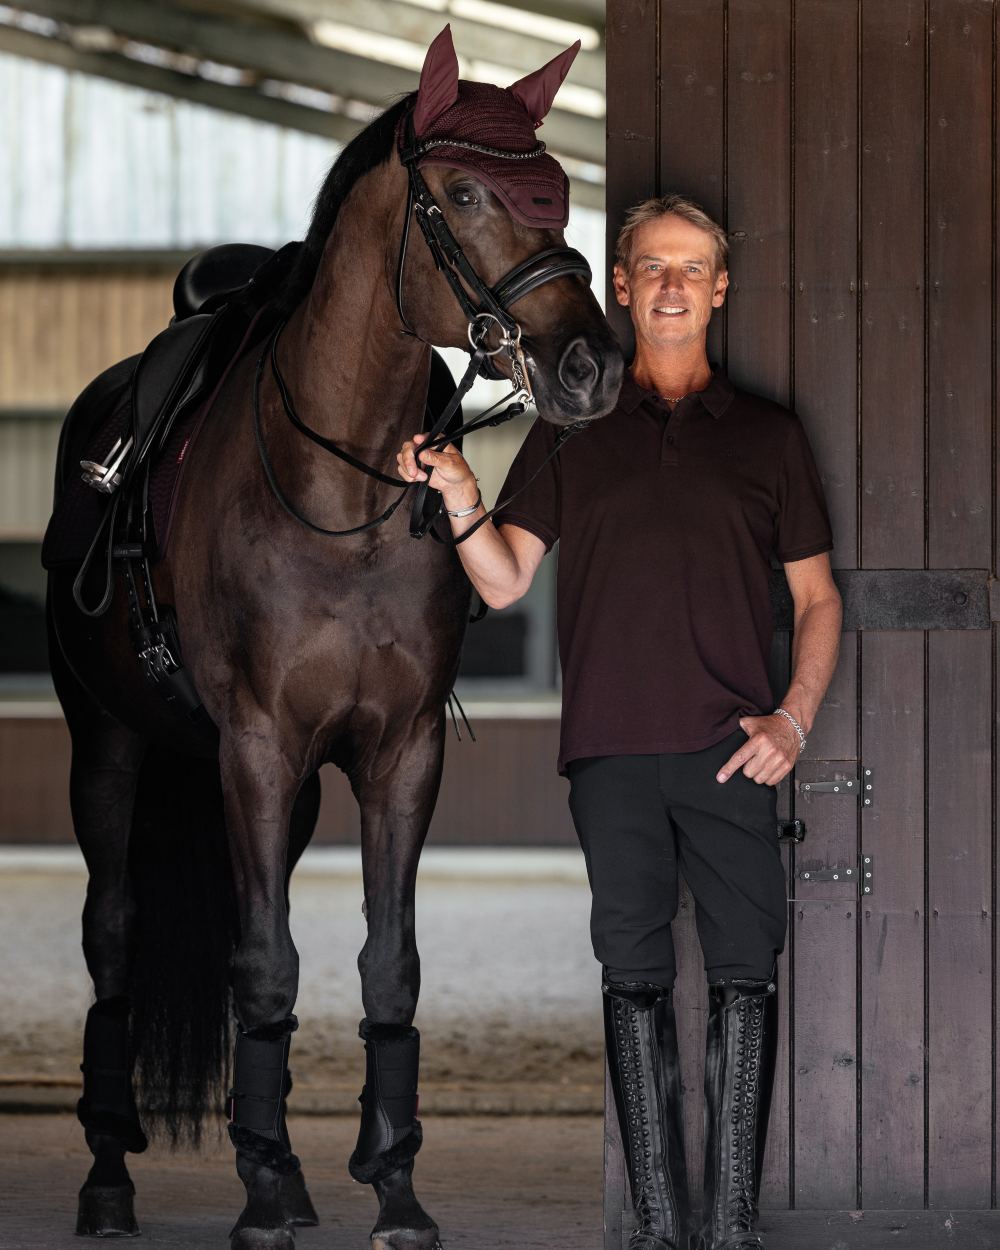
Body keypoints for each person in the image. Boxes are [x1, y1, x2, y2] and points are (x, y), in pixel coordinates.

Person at [397, 194, 842, 1250]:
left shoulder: (769, 438)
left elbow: (819, 600)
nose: (676, 286)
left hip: (735, 751)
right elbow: (503, 578)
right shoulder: (569, 429)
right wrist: (461, 489)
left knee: (745, 970)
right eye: (655, 267)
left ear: (718, 288)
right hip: (608, 756)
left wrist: (793, 718)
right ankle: (653, 1226)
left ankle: (729, 1225)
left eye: (694, 268)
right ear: (624, 285)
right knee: (632, 974)